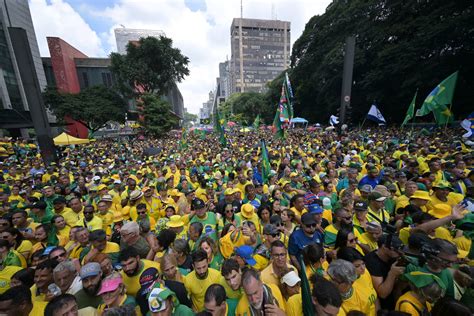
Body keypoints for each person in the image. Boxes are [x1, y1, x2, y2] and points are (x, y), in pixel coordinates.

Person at [364, 234, 405, 310]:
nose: (399, 252)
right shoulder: (372, 262)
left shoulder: (393, 257)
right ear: (384, 247)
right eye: (395, 249)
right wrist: (392, 274)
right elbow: (382, 293)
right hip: (382, 306)